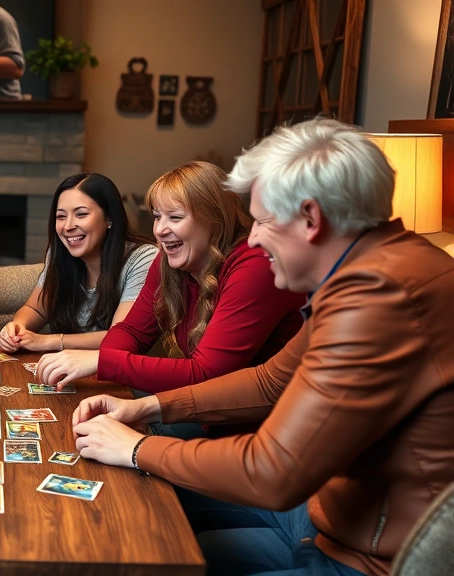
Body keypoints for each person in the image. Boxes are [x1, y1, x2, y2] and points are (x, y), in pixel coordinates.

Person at [71, 118, 454, 576]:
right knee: (134, 532)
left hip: (361, 559)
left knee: (140, 538)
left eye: (264, 222)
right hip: (322, 517)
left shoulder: (379, 296)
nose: (251, 238)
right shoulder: (374, 271)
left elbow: (273, 472)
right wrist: (148, 409)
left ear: (311, 218)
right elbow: (271, 380)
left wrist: (137, 449)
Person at [36, 161, 305, 394]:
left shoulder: (254, 265)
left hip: (250, 423)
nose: (160, 231)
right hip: (200, 404)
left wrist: (101, 362)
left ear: (215, 220)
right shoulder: (169, 260)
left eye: (174, 217)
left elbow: (205, 374)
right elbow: (132, 331)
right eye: (156, 217)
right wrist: (103, 360)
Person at [0, 173, 156, 353]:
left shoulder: (143, 259)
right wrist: (17, 327)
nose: (68, 226)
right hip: (62, 371)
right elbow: (36, 309)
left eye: (81, 214)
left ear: (110, 218)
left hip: (115, 375)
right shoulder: (60, 253)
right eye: (61, 216)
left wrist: (50, 341)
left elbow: (119, 337)